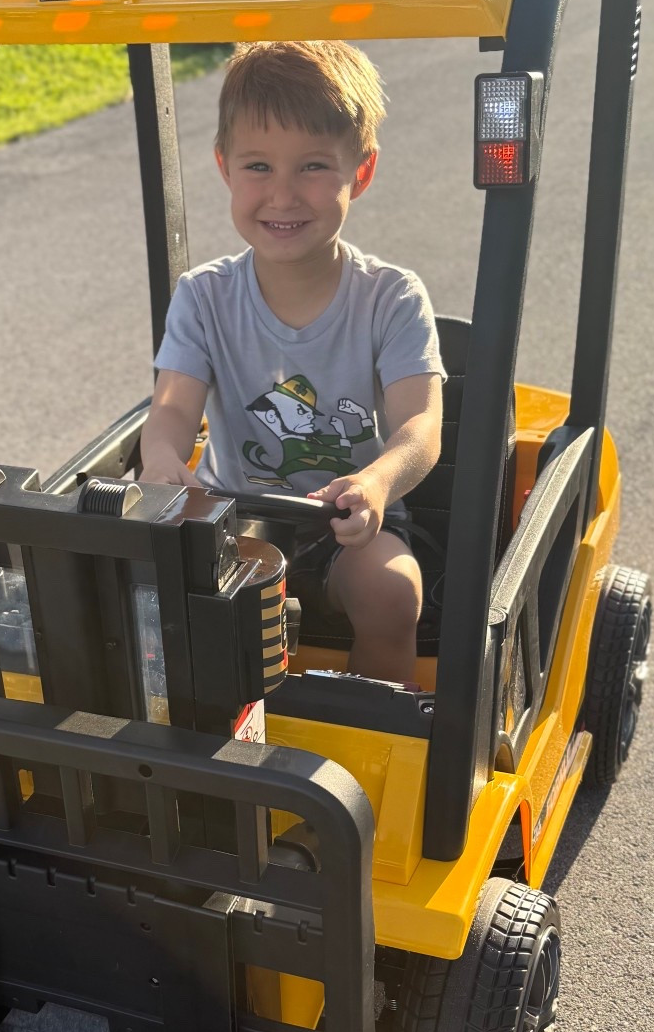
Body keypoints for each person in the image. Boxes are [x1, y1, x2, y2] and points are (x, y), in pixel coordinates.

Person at [139, 39, 445, 683]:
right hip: (234, 517)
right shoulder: (204, 296)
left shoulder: (390, 296)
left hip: (352, 519)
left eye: (312, 167)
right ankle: (201, 730)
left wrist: (377, 483)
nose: (282, 195)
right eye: (258, 166)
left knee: (393, 591)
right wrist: (163, 462)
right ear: (224, 167)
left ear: (359, 173)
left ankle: (373, 731)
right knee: (143, 593)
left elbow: (420, 427)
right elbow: (170, 410)